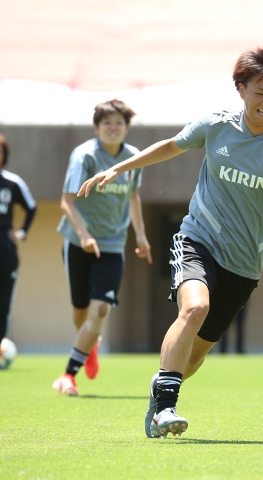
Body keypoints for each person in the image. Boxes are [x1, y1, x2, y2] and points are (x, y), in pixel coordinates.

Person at [77, 47, 263, 439]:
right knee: (195, 308)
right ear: (240, 89)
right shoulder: (216, 125)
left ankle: (162, 388)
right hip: (198, 239)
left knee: (197, 355)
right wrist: (119, 167)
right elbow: (173, 145)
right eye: (260, 92)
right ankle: (165, 408)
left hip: (245, 265)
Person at [52, 99, 153, 396]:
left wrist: (141, 236)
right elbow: (66, 201)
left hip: (112, 246)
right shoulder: (84, 156)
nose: (113, 128)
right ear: (96, 128)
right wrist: (83, 235)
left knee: (100, 309)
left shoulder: (134, 158)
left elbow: (134, 197)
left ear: (127, 128)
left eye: (119, 123)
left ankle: (68, 375)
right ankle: (89, 347)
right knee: (81, 311)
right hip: (77, 242)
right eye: (106, 123)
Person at [0, 134, 37, 350]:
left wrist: (22, 232)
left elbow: (31, 206)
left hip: (5, 248)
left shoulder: (12, 182)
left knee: (3, 302)